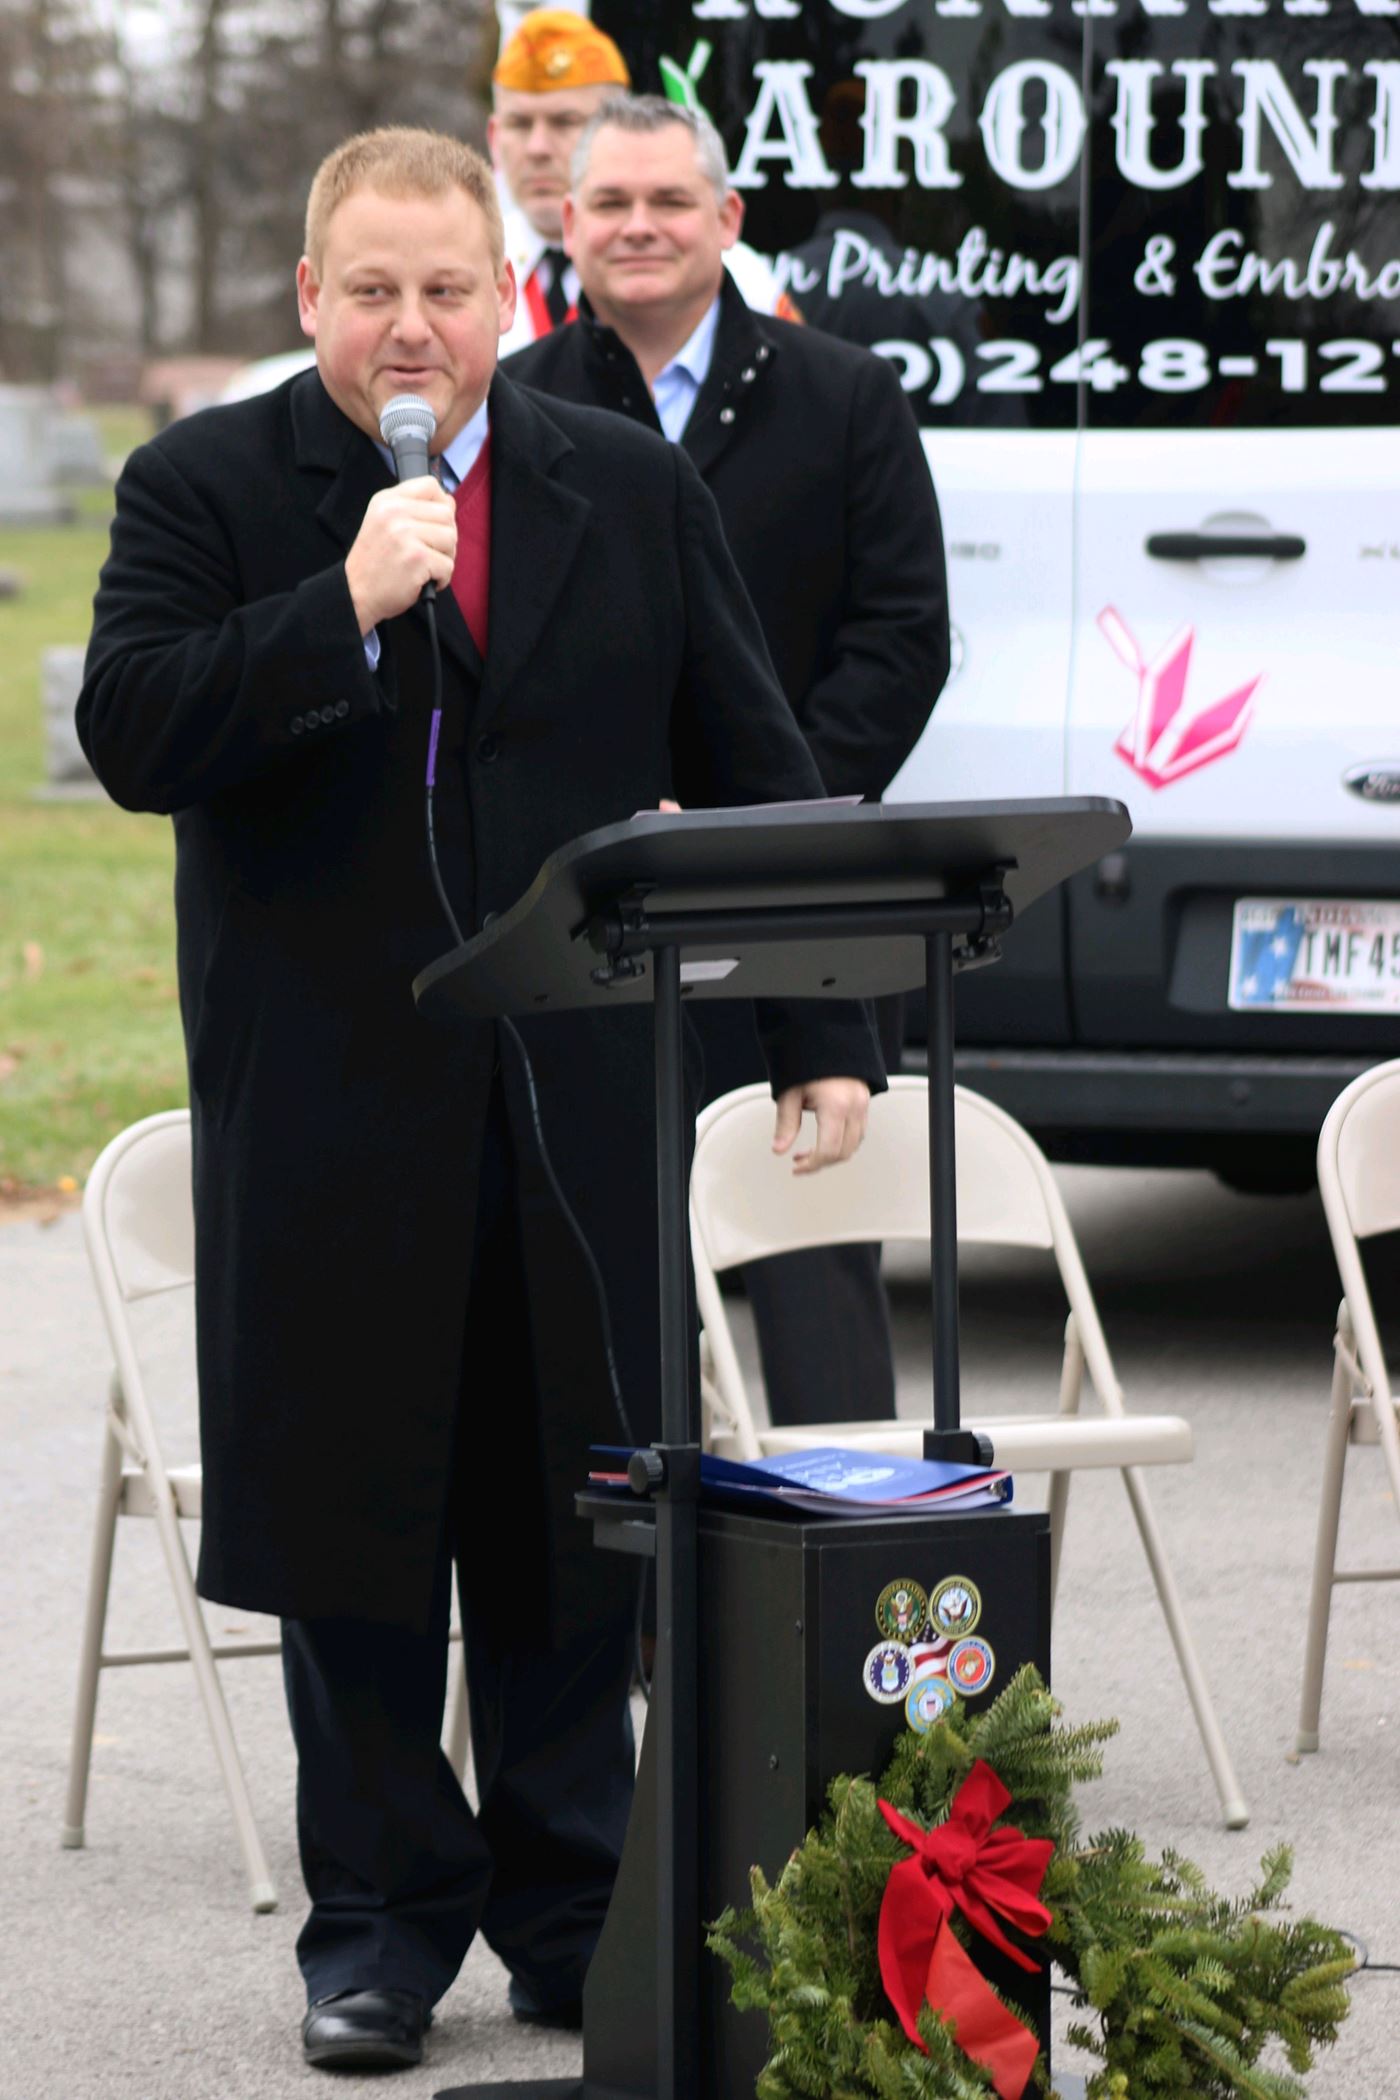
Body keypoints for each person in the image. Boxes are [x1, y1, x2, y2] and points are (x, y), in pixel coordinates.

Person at [77, 127, 882, 2075]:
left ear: (506, 301)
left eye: (446, 289)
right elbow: (131, 730)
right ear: (308, 301)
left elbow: (751, 757)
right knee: (358, 1527)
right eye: (372, 291)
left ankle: (569, 1903)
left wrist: (817, 1030)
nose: (411, 325)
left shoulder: (623, 480)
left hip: (579, 1099)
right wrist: (336, 603)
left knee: (572, 1517)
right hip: (330, 1105)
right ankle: (371, 1933)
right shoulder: (207, 485)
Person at [506, 95, 950, 1427]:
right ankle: (631, 1625)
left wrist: (754, 807)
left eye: (669, 202)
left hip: (797, 907)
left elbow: (902, 636)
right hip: (597, 909)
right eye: (612, 205)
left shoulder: (846, 395)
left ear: (727, 220)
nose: (640, 227)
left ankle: (831, 1606)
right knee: (600, 1287)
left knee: (813, 1275)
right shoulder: (516, 412)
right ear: (568, 225)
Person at [490, 7, 795, 361]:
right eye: (519, 124)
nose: (537, 148)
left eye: (565, 122)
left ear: (618, 127)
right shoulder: (470, 270)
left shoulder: (735, 276)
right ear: (494, 137)